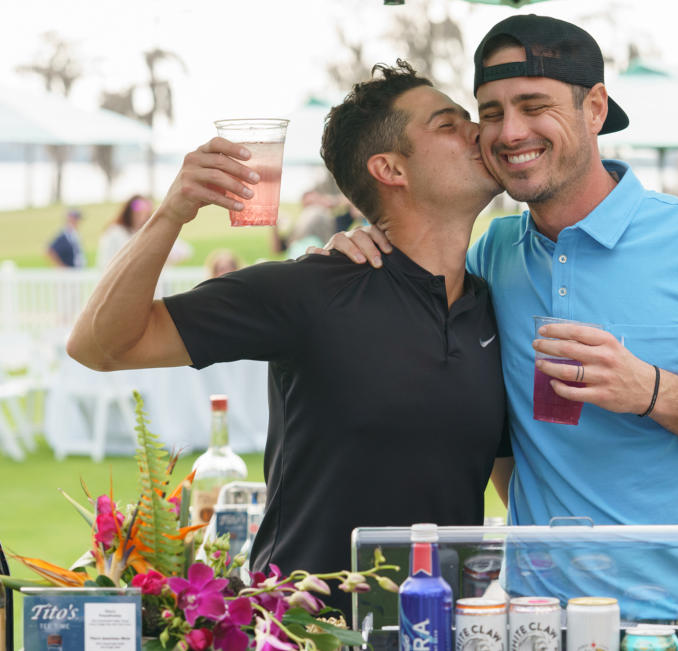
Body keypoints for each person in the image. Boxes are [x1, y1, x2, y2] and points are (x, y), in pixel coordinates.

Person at [324, 15, 678, 620]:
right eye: (491, 112)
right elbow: (504, 432)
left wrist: (652, 391)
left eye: (534, 105)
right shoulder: (489, 254)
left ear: (594, 108)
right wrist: (352, 247)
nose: (510, 132)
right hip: (536, 617)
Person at [67, 61, 511, 618]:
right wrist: (174, 211)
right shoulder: (311, 289)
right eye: (449, 124)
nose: (480, 132)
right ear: (390, 168)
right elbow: (99, 345)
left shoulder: (492, 308)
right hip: (306, 628)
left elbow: (510, 481)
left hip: (441, 626)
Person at [97, 195, 192, 268]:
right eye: (138, 213)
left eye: (145, 213)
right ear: (129, 213)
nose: (141, 217)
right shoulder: (115, 232)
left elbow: (185, 251)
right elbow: (106, 263)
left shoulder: (153, 233)